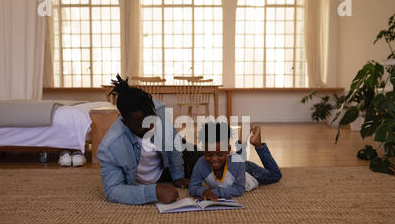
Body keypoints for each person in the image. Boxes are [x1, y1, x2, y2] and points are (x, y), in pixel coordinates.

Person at [97, 74, 199, 205]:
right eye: (141, 125)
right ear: (124, 122)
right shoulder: (110, 148)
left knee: (210, 159)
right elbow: (112, 191)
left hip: (167, 159)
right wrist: (154, 191)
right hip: (154, 177)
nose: (150, 126)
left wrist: (178, 175)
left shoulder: (160, 110)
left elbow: (173, 145)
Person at [189, 122, 282, 201]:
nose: (214, 159)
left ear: (228, 150)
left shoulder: (237, 164)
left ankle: (258, 144)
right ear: (203, 151)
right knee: (235, 159)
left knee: (275, 175)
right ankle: (242, 141)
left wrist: (212, 192)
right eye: (209, 155)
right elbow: (193, 187)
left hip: (249, 172)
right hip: (234, 162)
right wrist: (203, 191)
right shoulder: (201, 163)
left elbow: (239, 189)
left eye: (219, 154)